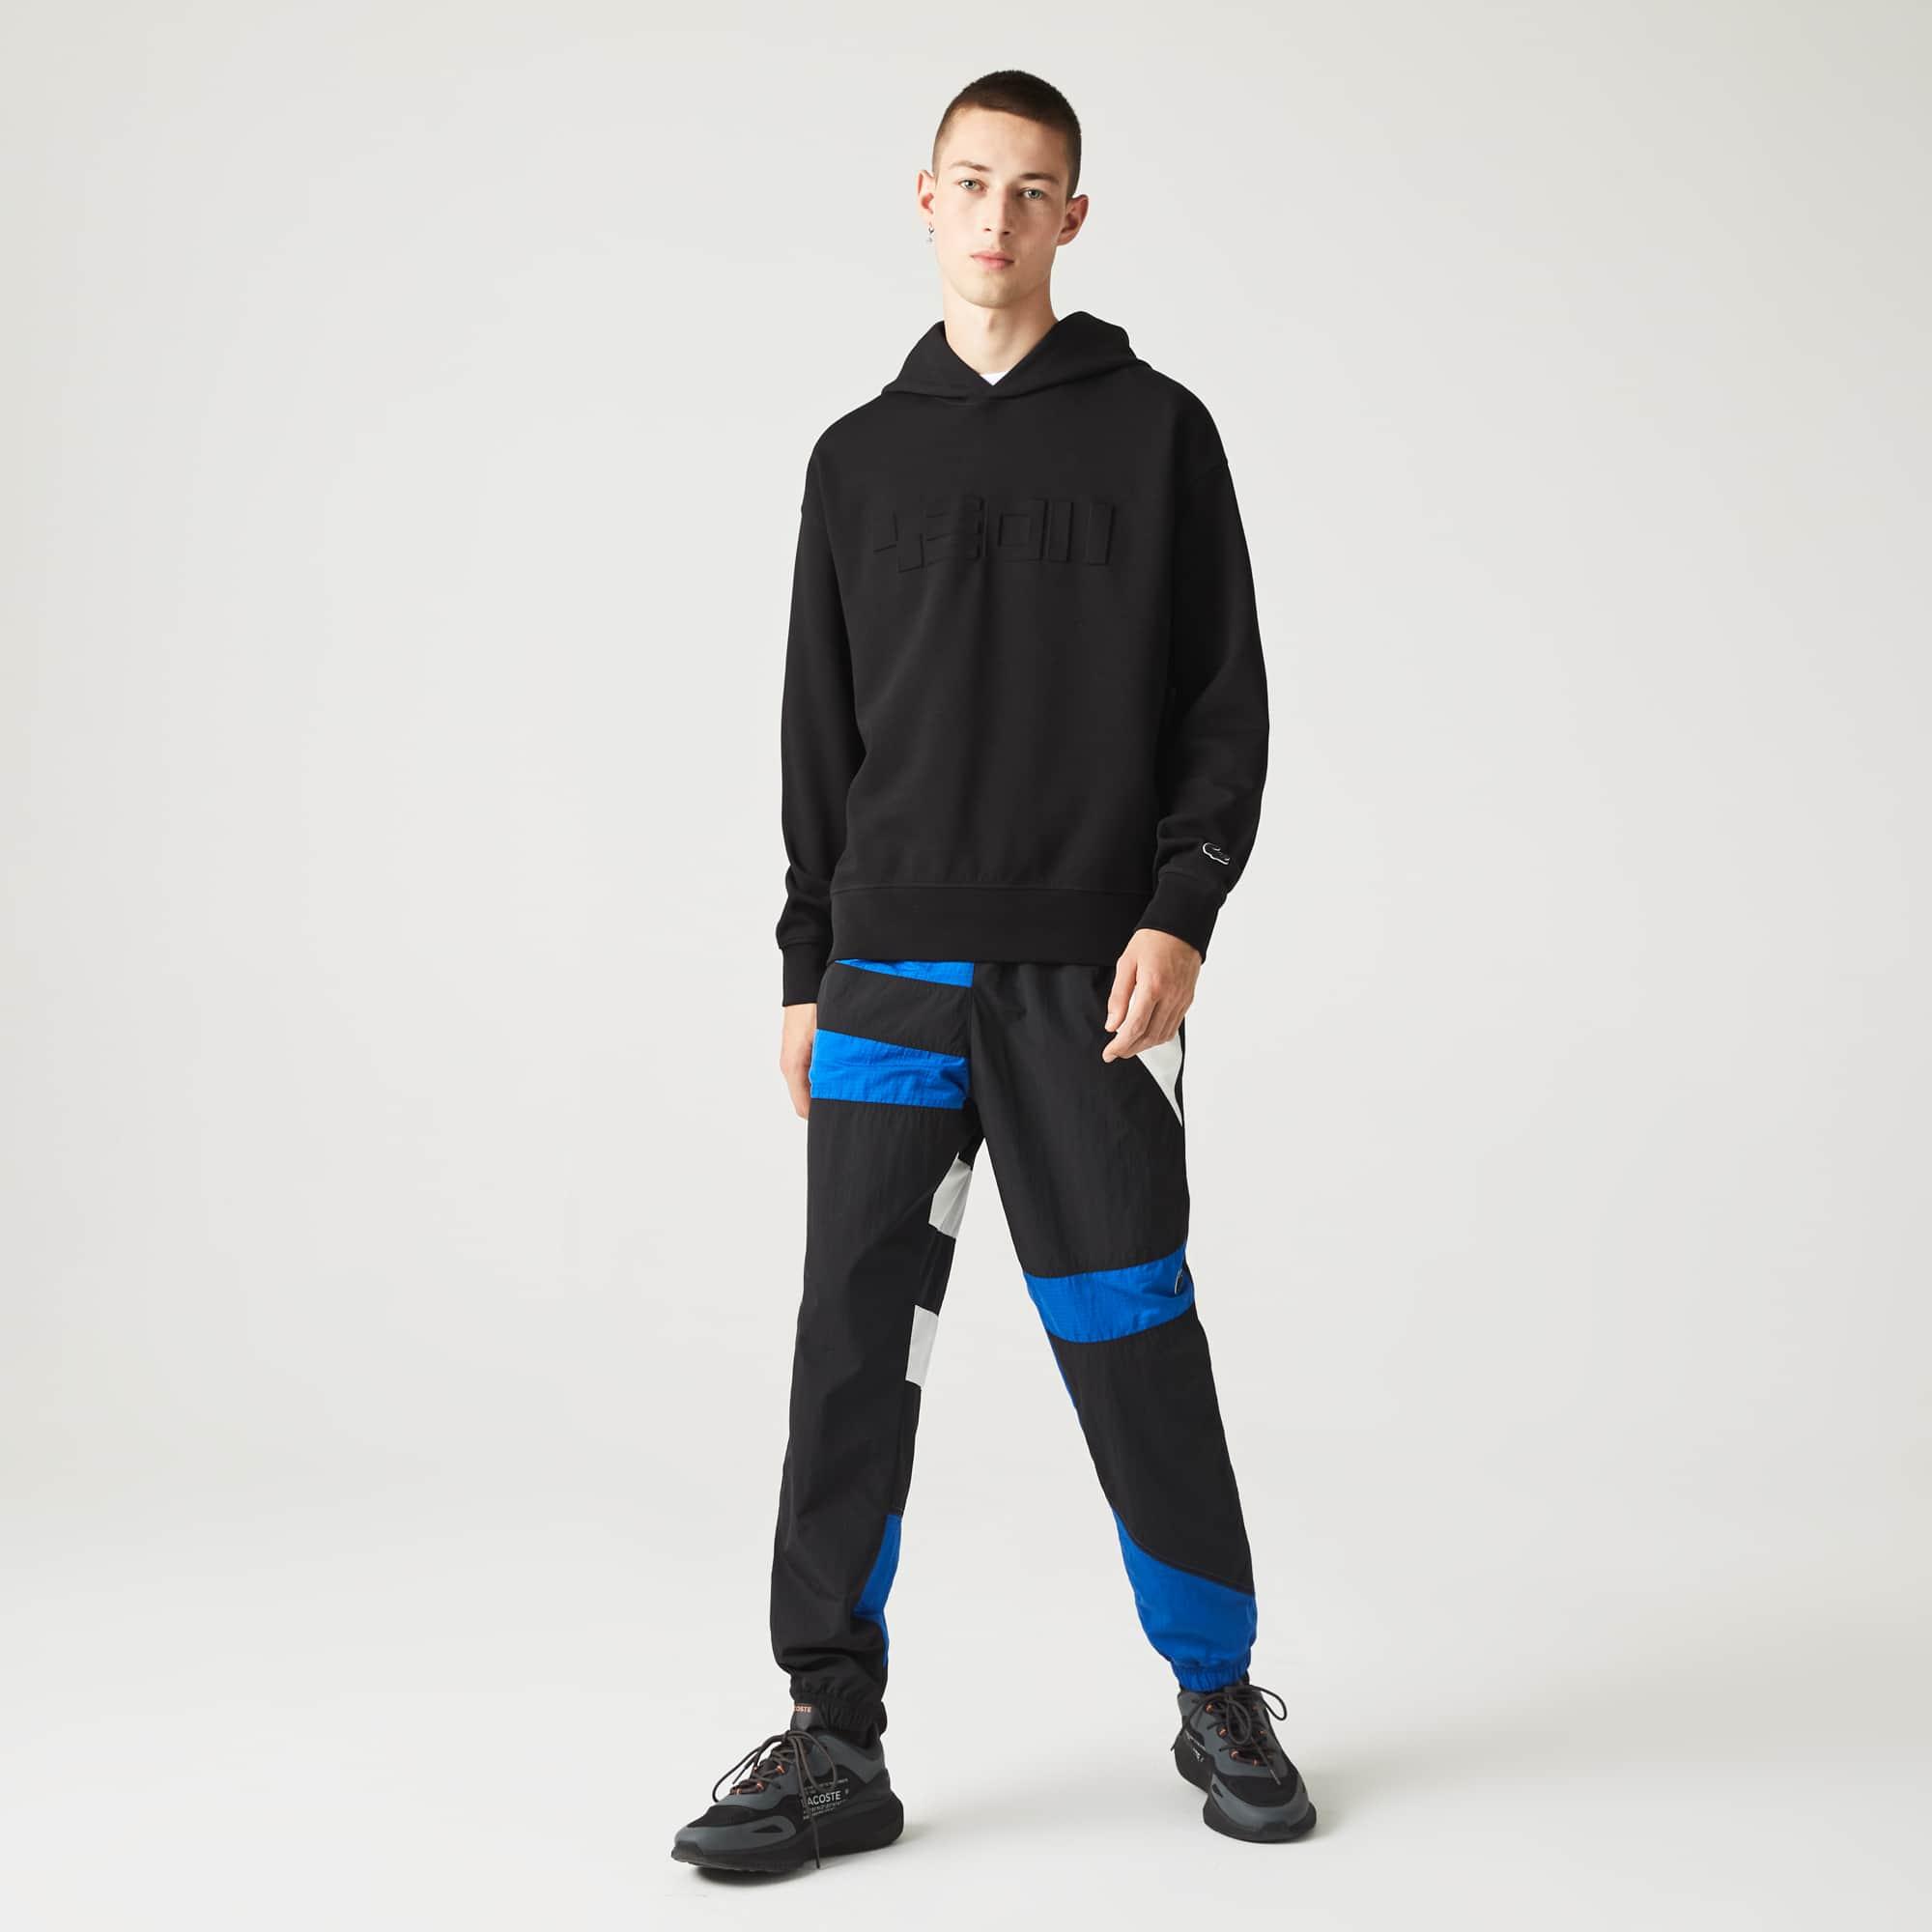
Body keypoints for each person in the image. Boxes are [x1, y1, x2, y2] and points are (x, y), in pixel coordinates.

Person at [672, 69, 1315, 1874]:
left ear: (1073, 218)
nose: (998, 216)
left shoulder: (1159, 434)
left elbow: (1224, 700)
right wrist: (805, 962)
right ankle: (833, 1735)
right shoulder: (855, 458)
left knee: (1130, 1327)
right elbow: (818, 731)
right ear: (926, 198)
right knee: (849, 1344)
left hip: (1085, 975)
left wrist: (1182, 910)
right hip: (884, 968)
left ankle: (1216, 1688)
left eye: (1033, 190)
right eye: (972, 183)